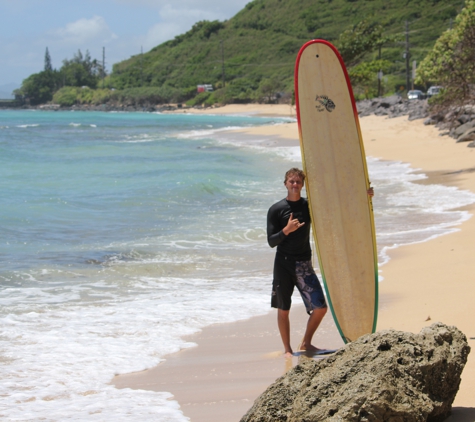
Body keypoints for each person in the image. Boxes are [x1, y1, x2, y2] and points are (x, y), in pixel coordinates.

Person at [267, 167, 373, 357]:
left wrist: (363, 194)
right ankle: (288, 350)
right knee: (284, 309)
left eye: (298, 182)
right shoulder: (276, 210)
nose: (295, 185)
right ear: (285, 184)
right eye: (291, 181)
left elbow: (337, 207)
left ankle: (306, 343)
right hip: (283, 264)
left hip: (303, 264)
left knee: (321, 308)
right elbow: (271, 241)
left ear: (303, 185)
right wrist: (286, 230)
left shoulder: (309, 206)